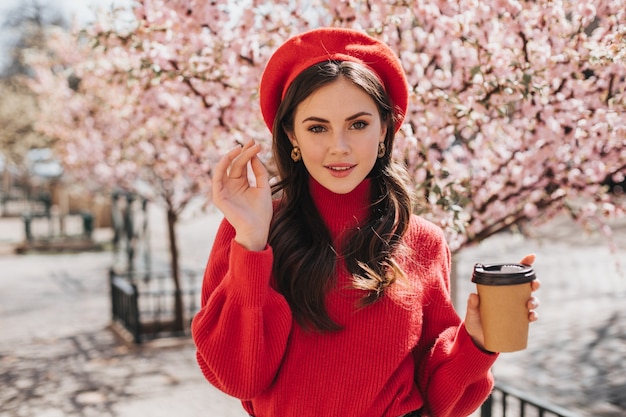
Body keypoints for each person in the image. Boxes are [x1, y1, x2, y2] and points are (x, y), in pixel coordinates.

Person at [191, 27, 540, 417]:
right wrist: (253, 243)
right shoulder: (249, 229)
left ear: (385, 129)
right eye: (317, 127)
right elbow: (238, 378)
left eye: (357, 124)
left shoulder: (423, 241)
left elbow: (440, 400)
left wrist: (477, 340)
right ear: (291, 134)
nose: (339, 146)